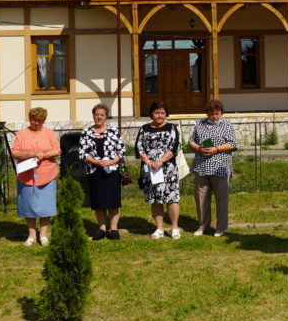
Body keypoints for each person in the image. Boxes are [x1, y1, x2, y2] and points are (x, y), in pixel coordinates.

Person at [187, 99, 237, 237]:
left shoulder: (227, 125)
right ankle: (203, 225)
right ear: (207, 113)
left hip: (220, 167)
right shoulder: (199, 125)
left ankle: (220, 228)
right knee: (201, 198)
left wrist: (216, 149)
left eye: (217, 113)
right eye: (211, 114)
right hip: (201, 167)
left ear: (221, 113)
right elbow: (191, 141)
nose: (214, 116)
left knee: (221, 199)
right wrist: (198, 148)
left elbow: (233, 144)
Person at [11, 107, 60, 246]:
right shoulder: (21, 134)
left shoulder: (49, 133)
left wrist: (43, 155)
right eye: (34, 120)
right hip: (26, 175)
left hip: (47, 173)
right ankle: (31, 235)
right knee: (28, 204)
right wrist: (33, 154)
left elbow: (57, 149)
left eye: (39, 121)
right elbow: (15, 153)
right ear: (29, 118)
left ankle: (43, 234)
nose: (36, 123)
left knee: (46, 205)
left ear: (44, 120)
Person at [79, 103, 126, 241]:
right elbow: (82, 153)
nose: (99, 117)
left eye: (102, 115)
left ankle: (114, 229)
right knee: (98, 202)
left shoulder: (113, 131)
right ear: (93, 116)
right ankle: (102, 229)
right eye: (96, 115)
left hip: (112, 171)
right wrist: (96, 162)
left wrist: (112, 161)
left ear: (106, 116)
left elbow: (121, 151)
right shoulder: (86, 132)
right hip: (95, 171)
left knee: (113, 201)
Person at [136, 100, 182, 240]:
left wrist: (161, 161)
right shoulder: (144, 128)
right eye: (157, 112)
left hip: (168, 168)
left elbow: (175, 147)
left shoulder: (172, 128)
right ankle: (159, 228)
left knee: (171, 198)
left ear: (166, 114)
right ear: (151, 114)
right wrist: (150, 162)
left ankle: (174, 228)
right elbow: (139, 148)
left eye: (162, 113)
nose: (160, 115)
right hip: (151, 170)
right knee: (156, 199)